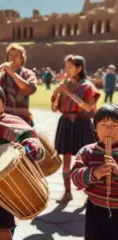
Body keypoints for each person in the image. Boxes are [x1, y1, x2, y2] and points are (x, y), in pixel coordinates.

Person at [0, 83, 44, 240]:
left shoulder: (13, 122)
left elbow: (35, 144)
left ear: (3, 103)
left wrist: (23, 150)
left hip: (9, 185)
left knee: (5, 228)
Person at [51, 54, 100, 203]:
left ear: (79, 69)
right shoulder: (64, 84)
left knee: (88, 160)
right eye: (66, 66)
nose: (66, 69)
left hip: (82, 124)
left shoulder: (88, 86)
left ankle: (90, 193)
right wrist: (56, 94)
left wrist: (70, 94)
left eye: (70, 67)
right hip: (66, 123)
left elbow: (89, 107)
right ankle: (67, 193)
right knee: (66, 161)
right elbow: (54, 108)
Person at [71, 104, 118, 240]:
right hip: (95, 209)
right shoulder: (87, 152)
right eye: (103, 125)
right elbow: (75, 176)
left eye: (114, 125)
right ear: (95, 128)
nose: (109, 129)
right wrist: (94, 173)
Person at [0, 43, 37, 126]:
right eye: (10, 55)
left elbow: (29, 89)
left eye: (16, 55)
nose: (12, 58)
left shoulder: (28, 74)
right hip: (4, 117)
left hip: (22, 118)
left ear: (22, 58)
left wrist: (12, 73)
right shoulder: (2, 74)